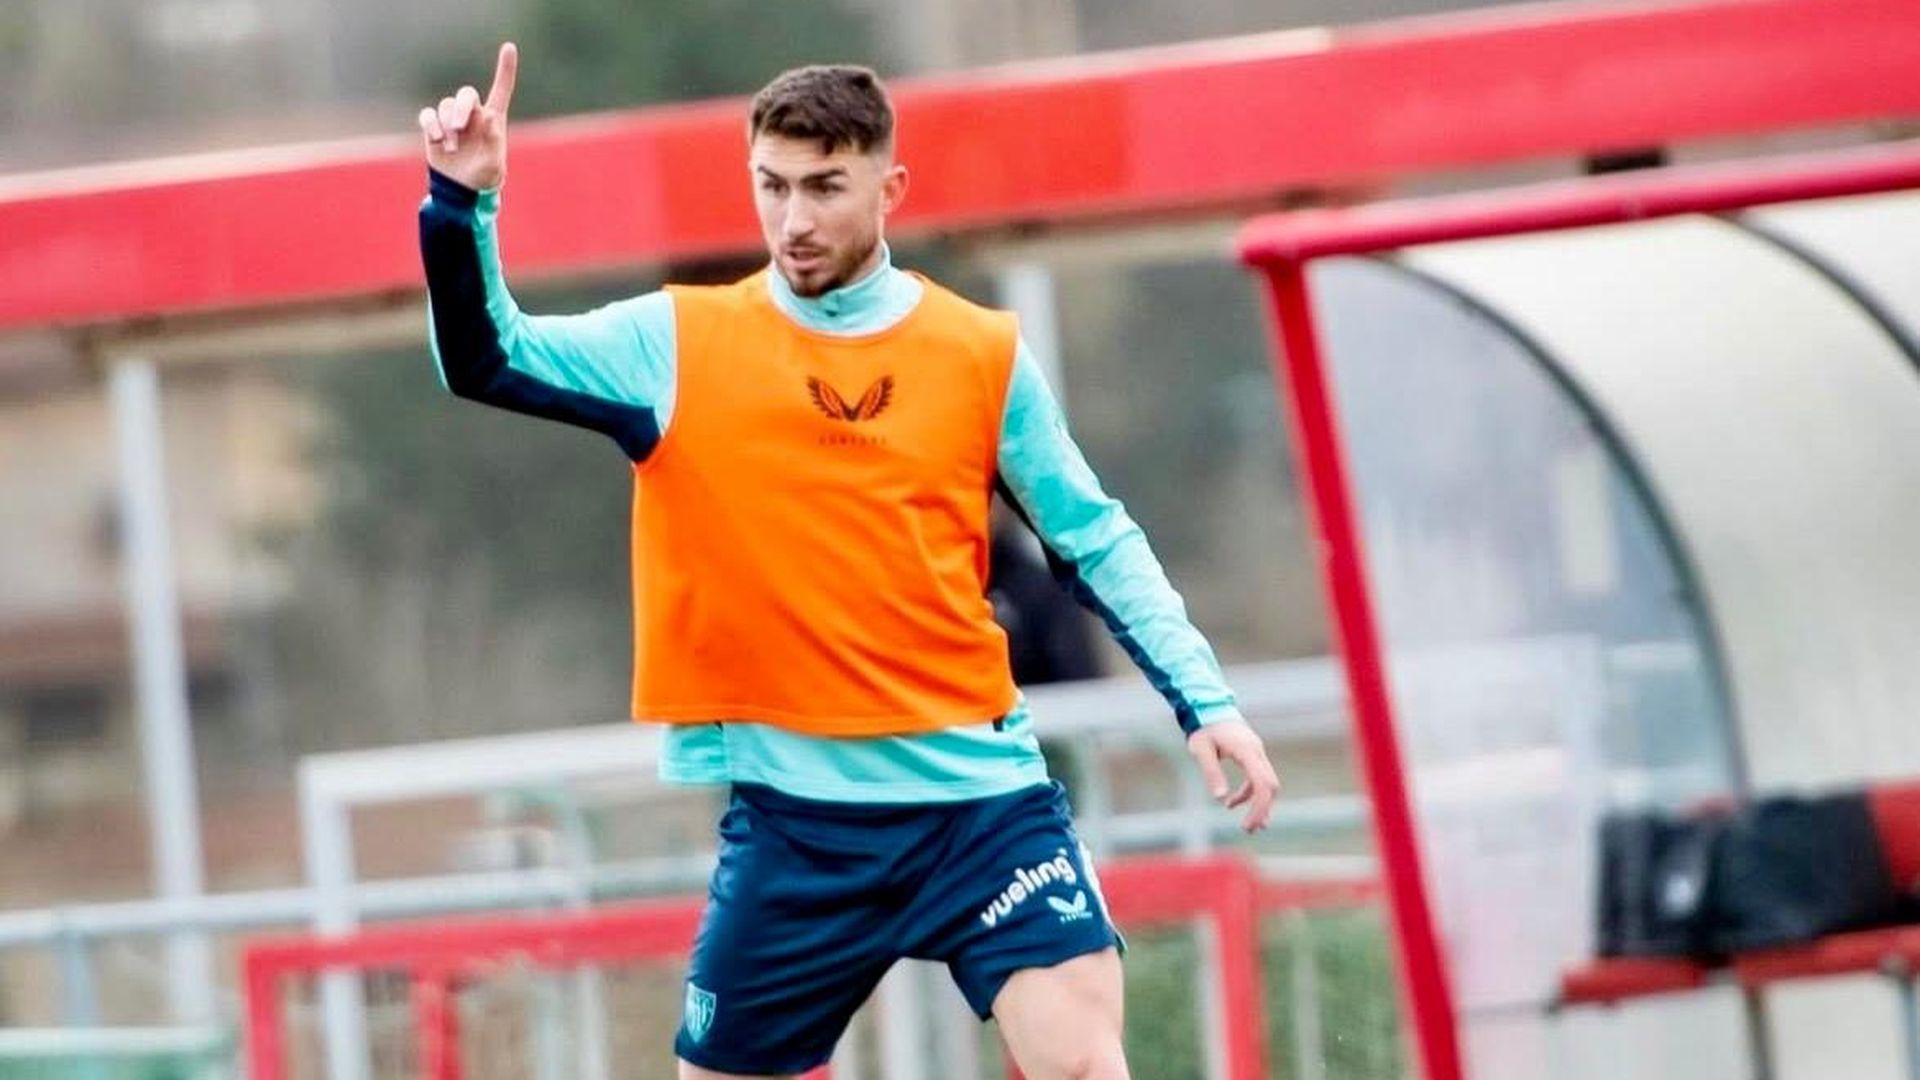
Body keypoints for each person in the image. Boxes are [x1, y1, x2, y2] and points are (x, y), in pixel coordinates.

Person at [416, 44, 1281, 1080]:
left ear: (890, 185)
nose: (795, 221)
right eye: (772, 188)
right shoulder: (679, 342)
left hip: (981, 812)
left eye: (825, 187)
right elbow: (487, 356)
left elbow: (1095, 537)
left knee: (1086, 1065)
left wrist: (1206, 701)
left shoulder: (979, 353)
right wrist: (461, 206)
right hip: (796, 834)